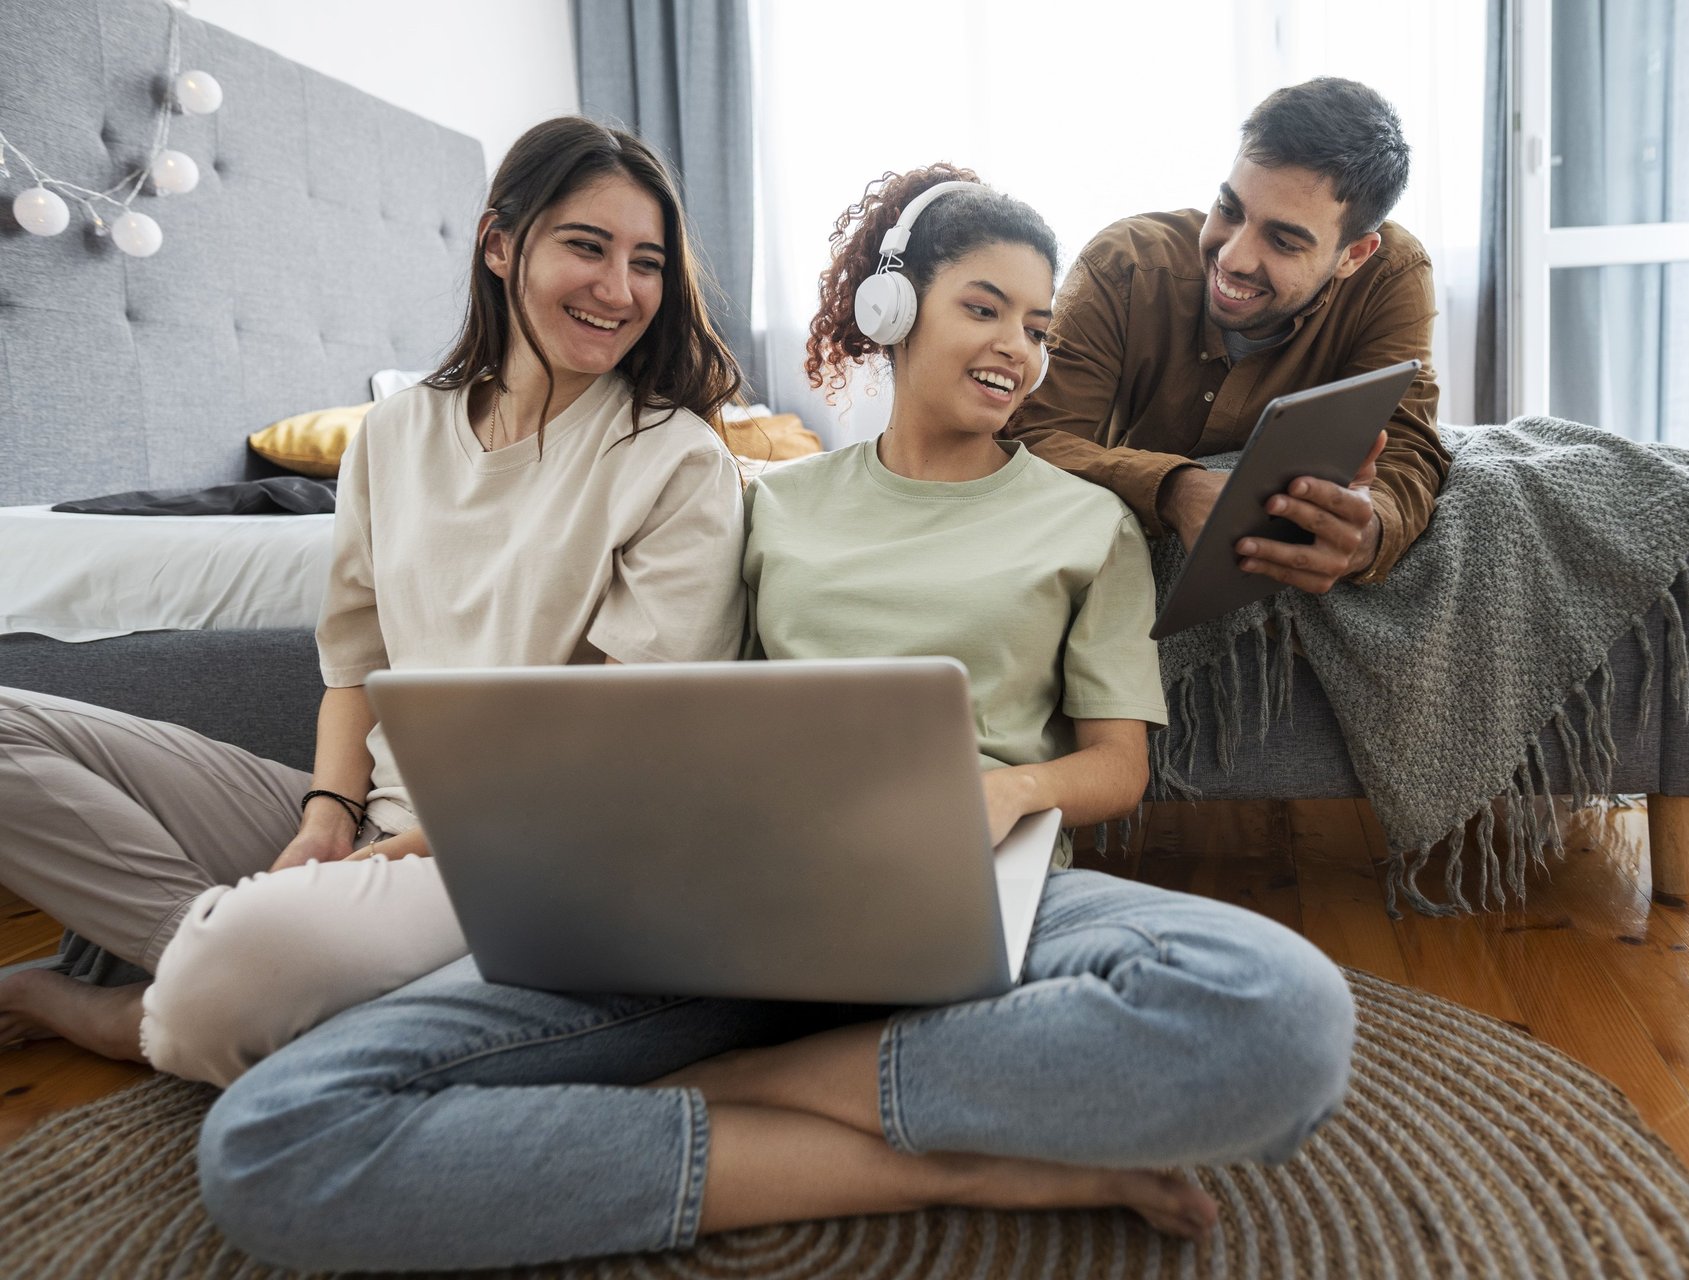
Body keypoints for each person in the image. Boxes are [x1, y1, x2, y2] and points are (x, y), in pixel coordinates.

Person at [191, 167, 1358, 1271]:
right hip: (726, 902)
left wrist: (1006, 789)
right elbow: (683, 714)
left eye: (1040, 327)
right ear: (893, 308)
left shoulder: (1086, 524)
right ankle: (936, 1168)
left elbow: (1116, 768)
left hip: (974, 885)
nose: (1018, 348)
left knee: (1280, 1016)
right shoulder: (772, 502)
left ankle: (755, 1083)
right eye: (987, 308)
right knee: (270, 1138)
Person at [0, 118, 748, 1083]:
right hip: (369, 815)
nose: (620, 289)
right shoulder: (396, 434)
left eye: (647, 262)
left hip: (516, 849)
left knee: (217, 991)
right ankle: (211, 961)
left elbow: (611, 742)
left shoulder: (678, 463)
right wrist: (322, 818)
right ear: (498, 245)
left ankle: (126, 1003)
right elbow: (356, 662)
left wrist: (402, 854)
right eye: (586, 246)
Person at [1004, 76, 1451, 593]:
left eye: (1283, 241)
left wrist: (1371, 531)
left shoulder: (1393, 275)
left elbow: (1409, 441)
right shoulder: (1122, 266)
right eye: (1230, 210)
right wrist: (1175, 488)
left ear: (1353, 255)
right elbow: (1032, 440)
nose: (1233, 258)